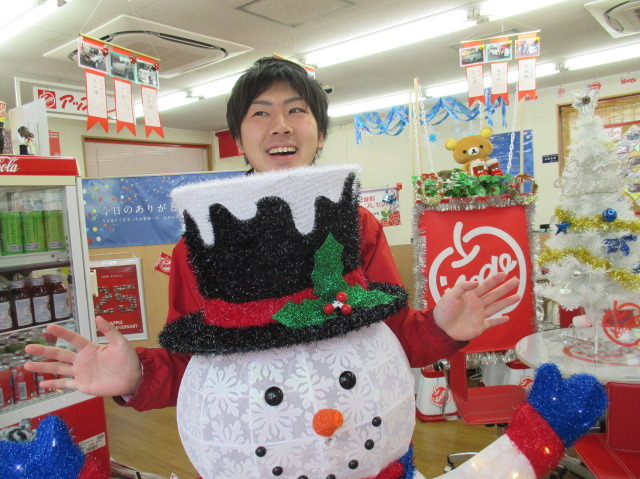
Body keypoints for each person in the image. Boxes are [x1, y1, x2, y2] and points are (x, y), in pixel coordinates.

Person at [24, 57, 520, 411]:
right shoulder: (200, 247)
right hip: (251, 440)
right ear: (239, 139)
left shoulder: (356, 226)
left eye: (297, 110)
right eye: (260, 112)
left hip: (356, 431)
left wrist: (441, 329)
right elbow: (192, 364)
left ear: (319, 133)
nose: (280, 125)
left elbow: (389, 337)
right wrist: (136, 376)